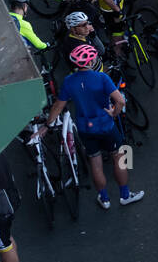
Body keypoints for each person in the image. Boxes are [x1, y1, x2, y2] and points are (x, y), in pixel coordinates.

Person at [42, 43, 145, 210]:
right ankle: (125, 195)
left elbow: (58, 107)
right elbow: (120, 101)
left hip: (85, 129)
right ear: (90, 62)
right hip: (106, 127)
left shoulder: (68, 81)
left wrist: (47, 125)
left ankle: (104, 199)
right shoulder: (102, 77)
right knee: (119, 159)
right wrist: (114, 113)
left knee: (96, 164)